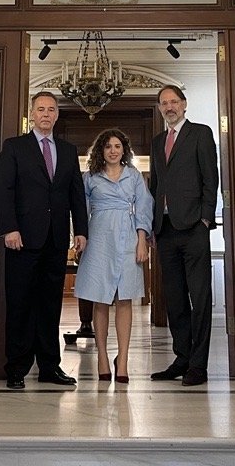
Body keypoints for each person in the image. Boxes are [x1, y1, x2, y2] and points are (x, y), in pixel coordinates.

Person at [0, 91, 88, 390]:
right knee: (20, 304)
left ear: (57, 115)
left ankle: (50, 367)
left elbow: (76, 194)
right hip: (21, 239)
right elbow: (4, 191)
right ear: (32, 114)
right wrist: (9, 228)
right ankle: (17, 368)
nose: (46, 114)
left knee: (50, 307)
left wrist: (81, 231)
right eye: (41, 109)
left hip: (56, 240)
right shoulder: (14, 147)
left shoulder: (68, 150)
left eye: (51, 109)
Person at [148, 84, 219, 387]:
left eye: (173, 101)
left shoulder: (200, 133)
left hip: (193, 228)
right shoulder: (156, 141)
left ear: (184, 104)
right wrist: (151, 225)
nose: (169, 107)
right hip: (164, 231)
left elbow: (210, 178)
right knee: (174, 299)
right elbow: (155, 185)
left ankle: (199, 365)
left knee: (199, 298)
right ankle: (182, 357)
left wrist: (205, 218)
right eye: (164, 103)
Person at [74, 128, 154, 384]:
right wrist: (79, 237)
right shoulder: (90, 178)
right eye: (108, 146)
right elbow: (80, 210)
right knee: (99, 299)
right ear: (101, 150)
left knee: (124, 299)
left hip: (128, 237)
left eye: (117, 146)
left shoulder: (133, 177)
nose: (112, 150)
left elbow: (143, 207)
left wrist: (142, 240)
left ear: (124, 150)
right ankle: (102, 357)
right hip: (98, 238)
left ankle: (123, 358)